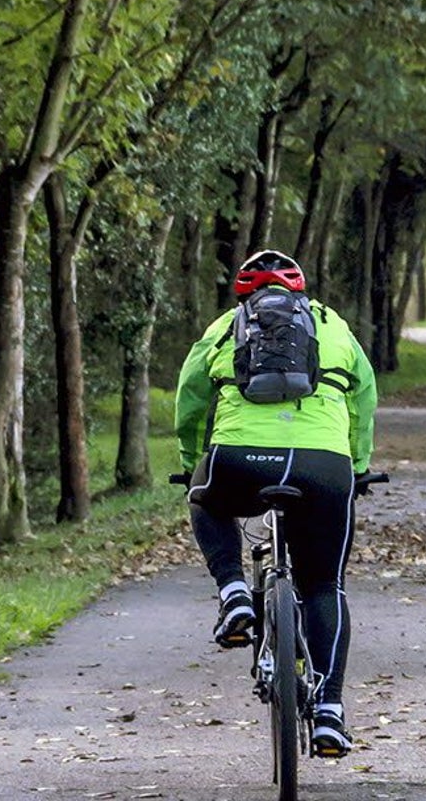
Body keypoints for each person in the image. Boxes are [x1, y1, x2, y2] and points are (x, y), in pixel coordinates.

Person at [174, 249, 378, 758]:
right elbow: (364, 395)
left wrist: (190, 460)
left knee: (204, 496)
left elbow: (191, 397)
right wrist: (356, 465)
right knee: (324, 585)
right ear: (300, 292)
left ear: (244, 294)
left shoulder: (224, 326)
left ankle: (235, 591)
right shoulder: (332, 324)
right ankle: (330, 709)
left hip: (238, 460)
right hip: (323, 468)